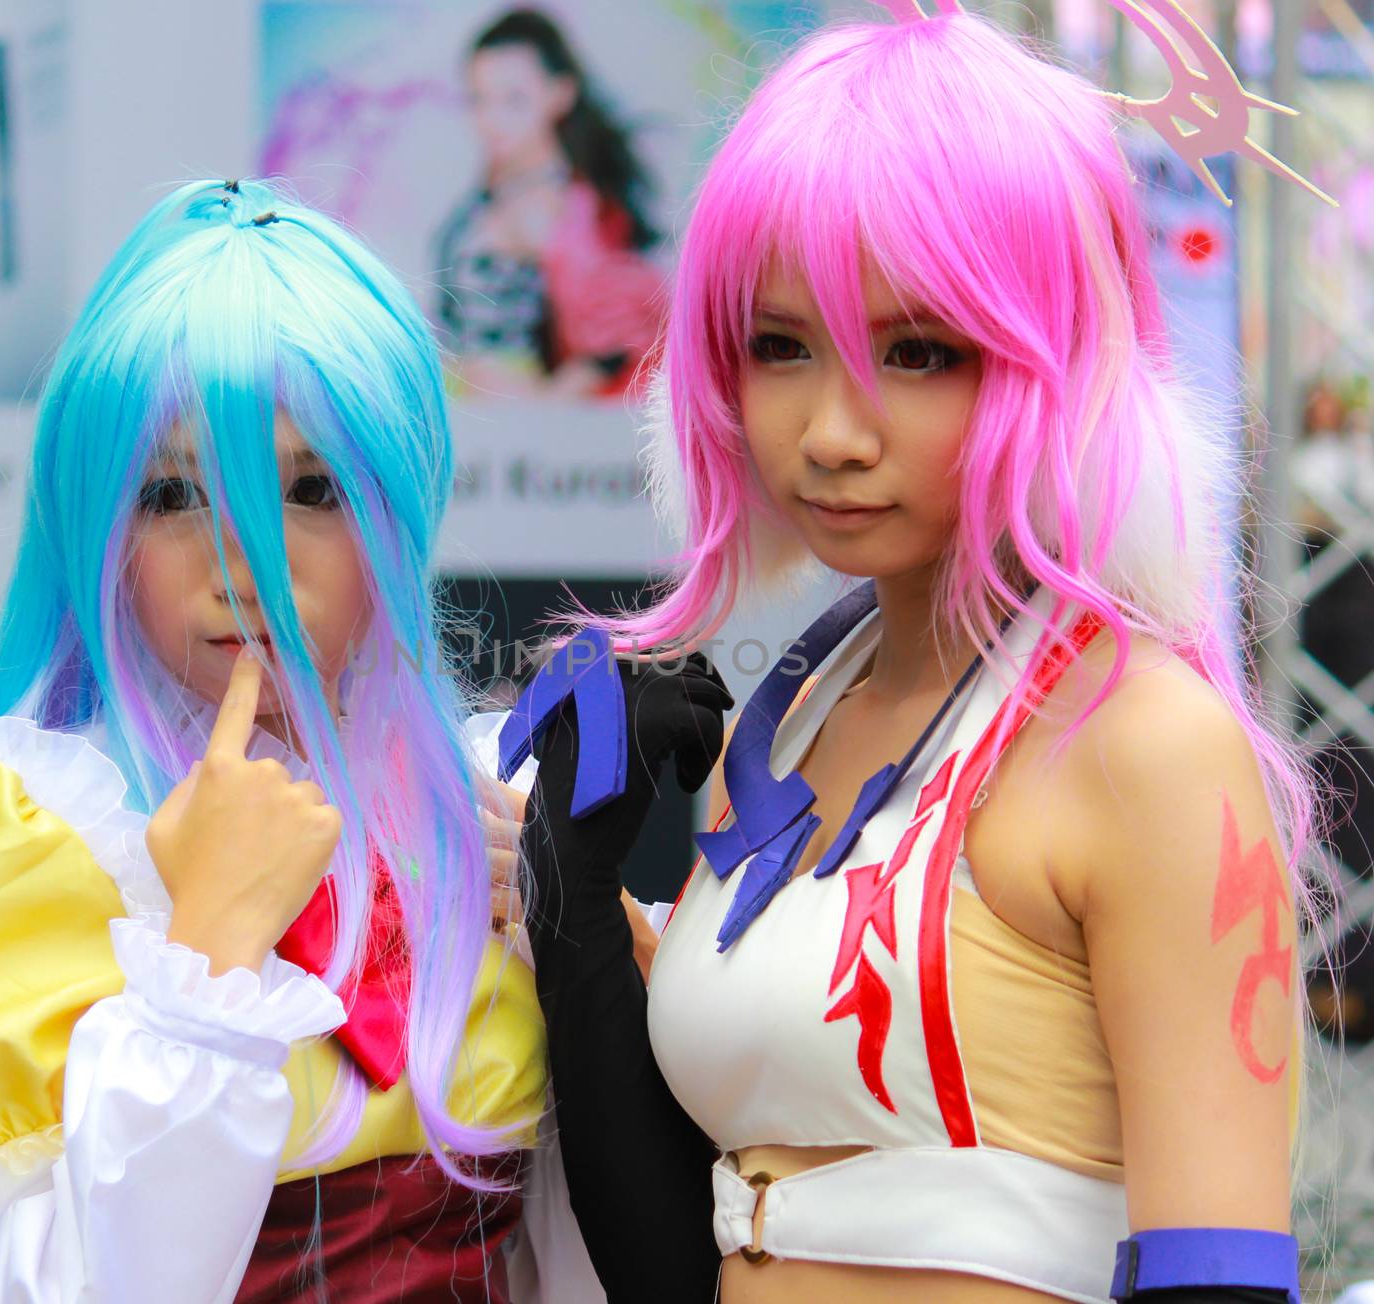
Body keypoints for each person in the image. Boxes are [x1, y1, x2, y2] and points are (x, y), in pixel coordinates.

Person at [503, 9, 1326, 1303]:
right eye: (780, 344)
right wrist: (573, 879)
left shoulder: (1141, 743)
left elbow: (1220, 1271)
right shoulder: (798, 724)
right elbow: (694, 1257)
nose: (832, 431)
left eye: (920, 352)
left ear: (1059, 364)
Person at [0, 178, 596, 1303]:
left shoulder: (481, 815)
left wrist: (593, 950)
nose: (250, 567)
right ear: (95, 519)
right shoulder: (25, 846)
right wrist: (207, 954)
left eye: (313, 488)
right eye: (179, 492)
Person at [435, 8, 664, 400]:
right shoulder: (503, 192)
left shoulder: (563, 205)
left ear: (560, 94)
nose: (492, 119)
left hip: (517, 428)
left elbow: (615, 341)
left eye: (514, 100)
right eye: (479, 99)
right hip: (479, 415)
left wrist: (546, 410)